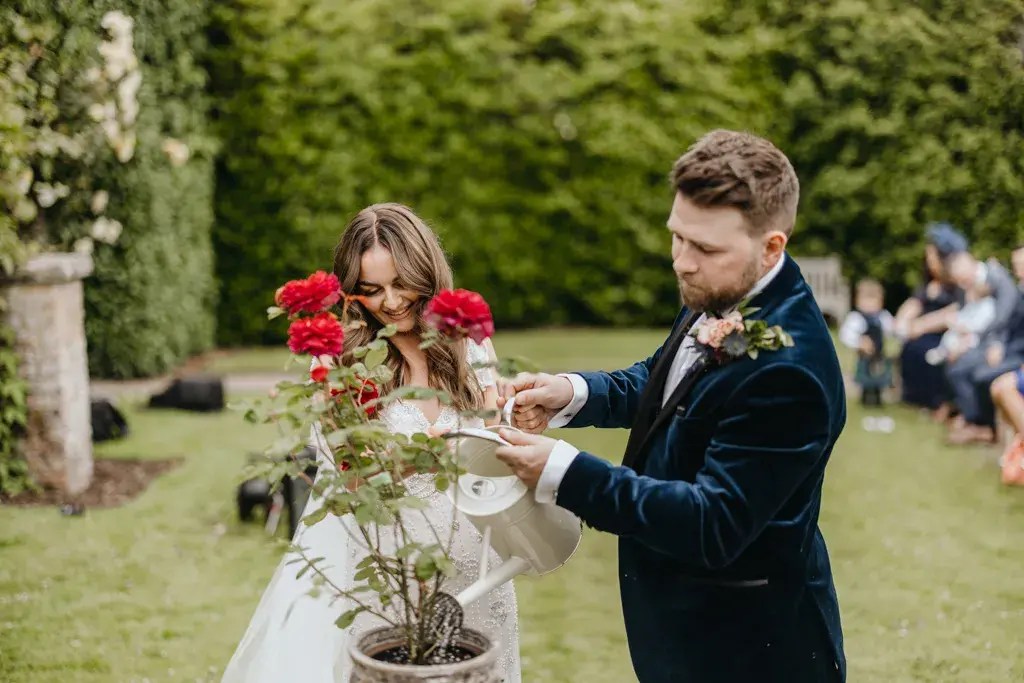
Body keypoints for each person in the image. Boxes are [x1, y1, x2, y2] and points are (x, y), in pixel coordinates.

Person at [495, 130, 846, 682]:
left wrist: (563, 471)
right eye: (677, 238)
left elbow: (714, 522)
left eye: (703, 248)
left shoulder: (789, 370)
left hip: (749, 647)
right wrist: (574, 393)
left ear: (771, 246)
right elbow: (668, 386)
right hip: (683, 627)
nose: (682, 262)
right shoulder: (725, 288)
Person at [222, 204, 522, 683]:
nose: (391, 301)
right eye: (372, 289)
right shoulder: (345, 364)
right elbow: (355, 476)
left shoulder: (466, 341)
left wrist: (508, 420)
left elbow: (491, 441)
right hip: (387, 566)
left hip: (471, 559)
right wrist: (431, 451)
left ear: (426, 270)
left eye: (402, 283)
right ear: (352, 290)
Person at [944, 250, 1022, 445]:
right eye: (1016, 265)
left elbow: (1003, 320)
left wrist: (996, 344)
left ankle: (984, 426)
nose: (1017, 269)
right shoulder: (1017, 287)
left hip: (1010, 349)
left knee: (982, 375)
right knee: (960, 368)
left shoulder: (1000, 280)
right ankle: (978, 423)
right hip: (1001, 345)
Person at [893, 223, 965, 417]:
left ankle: (939, 402)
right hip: (924, 332)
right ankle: (915, 398)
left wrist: (921, 325)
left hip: (945, 333)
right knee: (911, 347)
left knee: (928, 352)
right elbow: (913, 305)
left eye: (932, 257)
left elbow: (955, 311)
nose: (928, 261)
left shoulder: (956, 286)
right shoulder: (927, 285)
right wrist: (902, 322)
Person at [838, 278, 894, 406]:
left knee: (879, 376)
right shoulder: (856, 318)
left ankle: (878, 397)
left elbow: (892, 329)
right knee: (865, 377)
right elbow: (845, 335)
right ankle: (865, 397)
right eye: (866, 300)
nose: (870, 305)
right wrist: (859, 342)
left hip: (879, 356)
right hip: (864, 357)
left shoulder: (883, 317)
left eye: (874, 301)